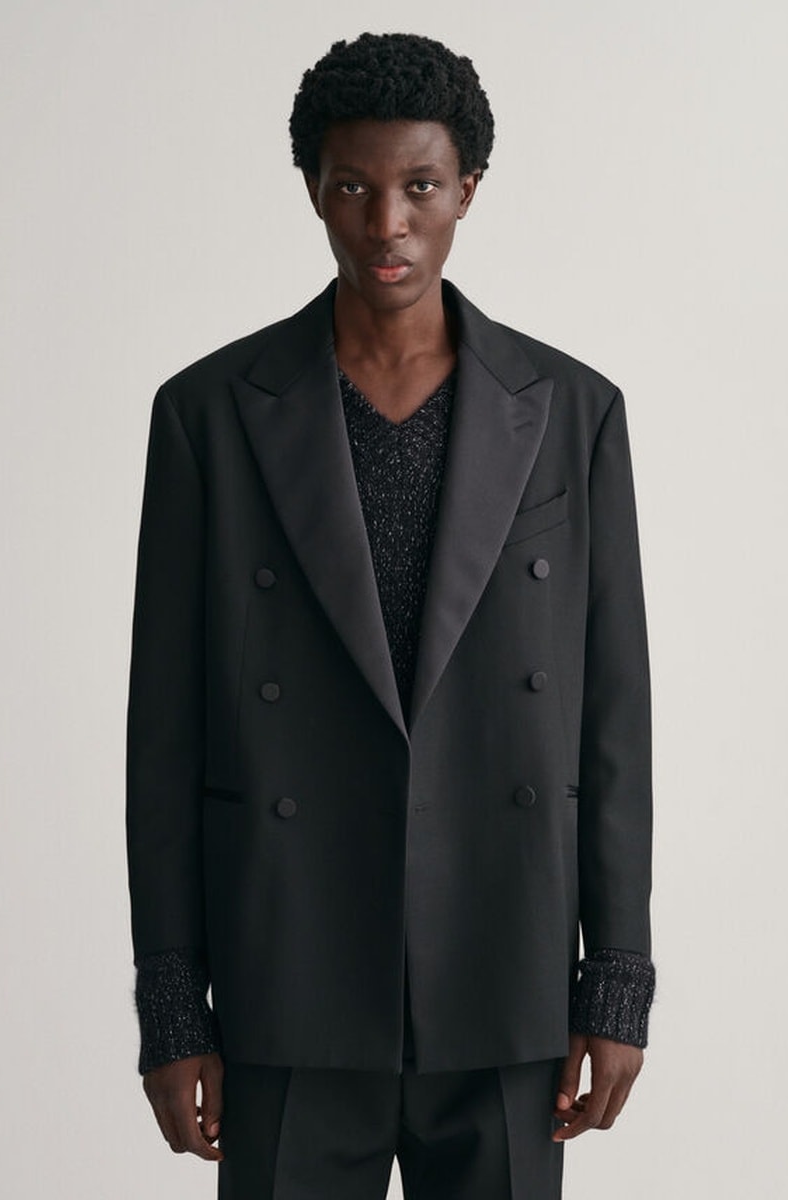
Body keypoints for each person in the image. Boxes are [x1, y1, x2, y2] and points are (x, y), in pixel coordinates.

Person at [126, 31, 655, 1200]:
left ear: (467, 189)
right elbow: (162, 736)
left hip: (506, 968)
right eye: (353, 188)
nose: (386, 224)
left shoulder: (571, 414)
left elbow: (612, 720)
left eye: (419, 186)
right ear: (313, 190)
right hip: (285, 975)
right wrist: (173, 1005)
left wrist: (615, 979)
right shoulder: (209, 416)